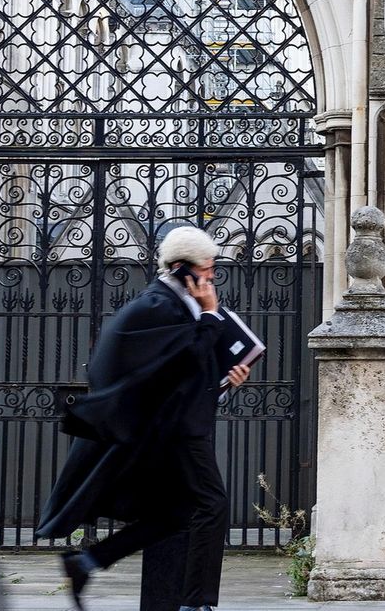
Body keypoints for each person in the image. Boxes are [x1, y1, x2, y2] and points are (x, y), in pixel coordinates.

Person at [37, 226, 251, 611]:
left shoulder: (172, 303)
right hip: (177, 433)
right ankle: (196, 603)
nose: (213, 275)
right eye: (208, 268)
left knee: (174, 514)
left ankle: (86, 562)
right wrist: (210, 315)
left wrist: (227, 379)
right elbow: (182, 361)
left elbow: (183, 370)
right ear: (186, 269)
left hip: (176, 427)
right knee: (212, 505)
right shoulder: (158, 305)